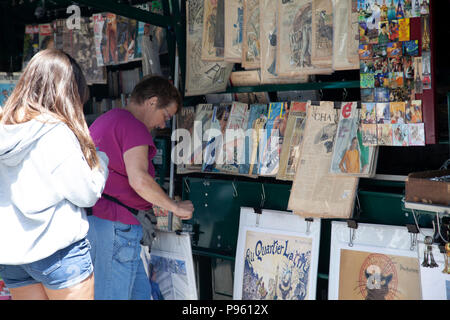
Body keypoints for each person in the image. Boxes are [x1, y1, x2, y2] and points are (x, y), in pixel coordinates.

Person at [0, 49, 109, 300]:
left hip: (13, 254)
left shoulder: (5, 128)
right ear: (68, 91)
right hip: (58, 251)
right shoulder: (55, 132)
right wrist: (100, 161)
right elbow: (87, 193)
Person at [87, 75, 194, 300]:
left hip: (100, 222)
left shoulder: (106, 119)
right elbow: (140, 180)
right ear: (152, 101)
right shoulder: (133, 126)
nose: (163, 124)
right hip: (117, 226)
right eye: (165, 115)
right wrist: (174, 206)